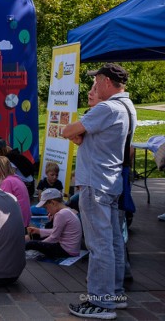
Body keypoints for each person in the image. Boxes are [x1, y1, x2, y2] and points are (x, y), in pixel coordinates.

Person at [62, 63, 135, 319]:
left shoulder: (106, 108)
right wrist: (80, 134)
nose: (93, 87)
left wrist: (77, 131)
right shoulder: (127, 107)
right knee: (113, 241)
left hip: (96, 183)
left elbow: (68, 131)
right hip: (111, 182)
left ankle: (101, 304)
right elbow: (80, 136)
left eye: (96, 82)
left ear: (105, 81)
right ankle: (113, 295)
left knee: (99, 244)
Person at [26, 188, 82, 259]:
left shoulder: (61, 214)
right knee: (36, 236)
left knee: (32, 244)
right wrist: (38, 231)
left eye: (46, 208)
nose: (47, 211)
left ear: (53, 203)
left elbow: (54, 237)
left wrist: (39, 244)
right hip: (72, 250)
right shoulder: (67, 211)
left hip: (66, 251)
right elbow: (56, 232)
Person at [0, 156, 31, 228]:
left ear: (0, 169)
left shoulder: (7, 182)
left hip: (18, 221)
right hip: (25, 218)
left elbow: (3, 204)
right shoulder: (15, 177)